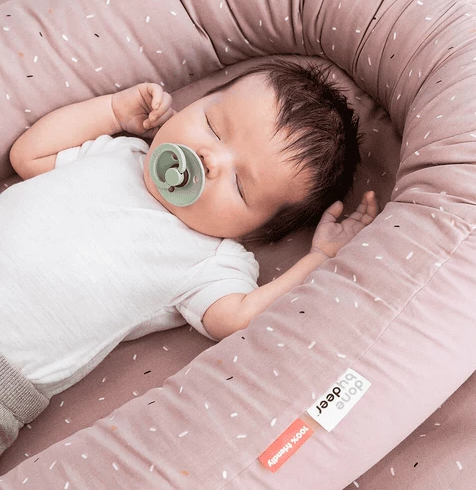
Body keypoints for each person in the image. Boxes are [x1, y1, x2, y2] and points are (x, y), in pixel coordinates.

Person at [0, 59, 379, 451]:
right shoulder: (119, 152)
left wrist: (318, 258)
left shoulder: (210, 259)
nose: (209, 159)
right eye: (213, 126)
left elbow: (239, 318)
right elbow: (29, 155)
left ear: (256, 231)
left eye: (240, 184)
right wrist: (112, 111)